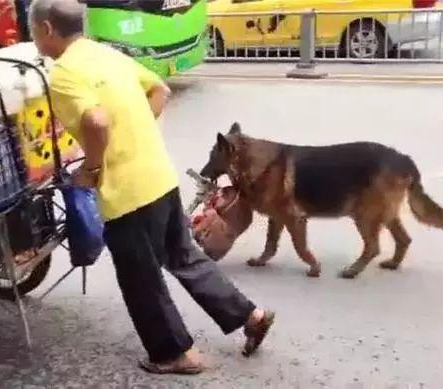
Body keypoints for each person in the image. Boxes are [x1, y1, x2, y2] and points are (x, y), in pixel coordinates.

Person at [28, 0, 275, 374]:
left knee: (139, 277)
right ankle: (251, 316)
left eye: (32, 31)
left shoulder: (64, 73)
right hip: (158, 173)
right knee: (184, 255)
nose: (33, 39)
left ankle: (175, 353)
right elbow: (160, 91)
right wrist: (135, 133)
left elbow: (95, 121)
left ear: (46, 29)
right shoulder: (104, 53)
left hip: (127, 192)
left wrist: (92, 167)